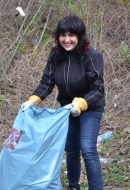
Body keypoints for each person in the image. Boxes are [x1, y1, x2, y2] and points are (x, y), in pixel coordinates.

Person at [21, 15, 105, 190]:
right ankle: (73, 186)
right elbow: (47, 82)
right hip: (67, 108)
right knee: (71, 148)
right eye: (63, 35)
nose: (67, 40)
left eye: (71, 35)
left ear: (79, 36)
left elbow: (97, 89)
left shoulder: (92, 56)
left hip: (89, 107)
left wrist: (81, 103)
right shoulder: (55, 54)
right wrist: (33, 100)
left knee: (87, 148)